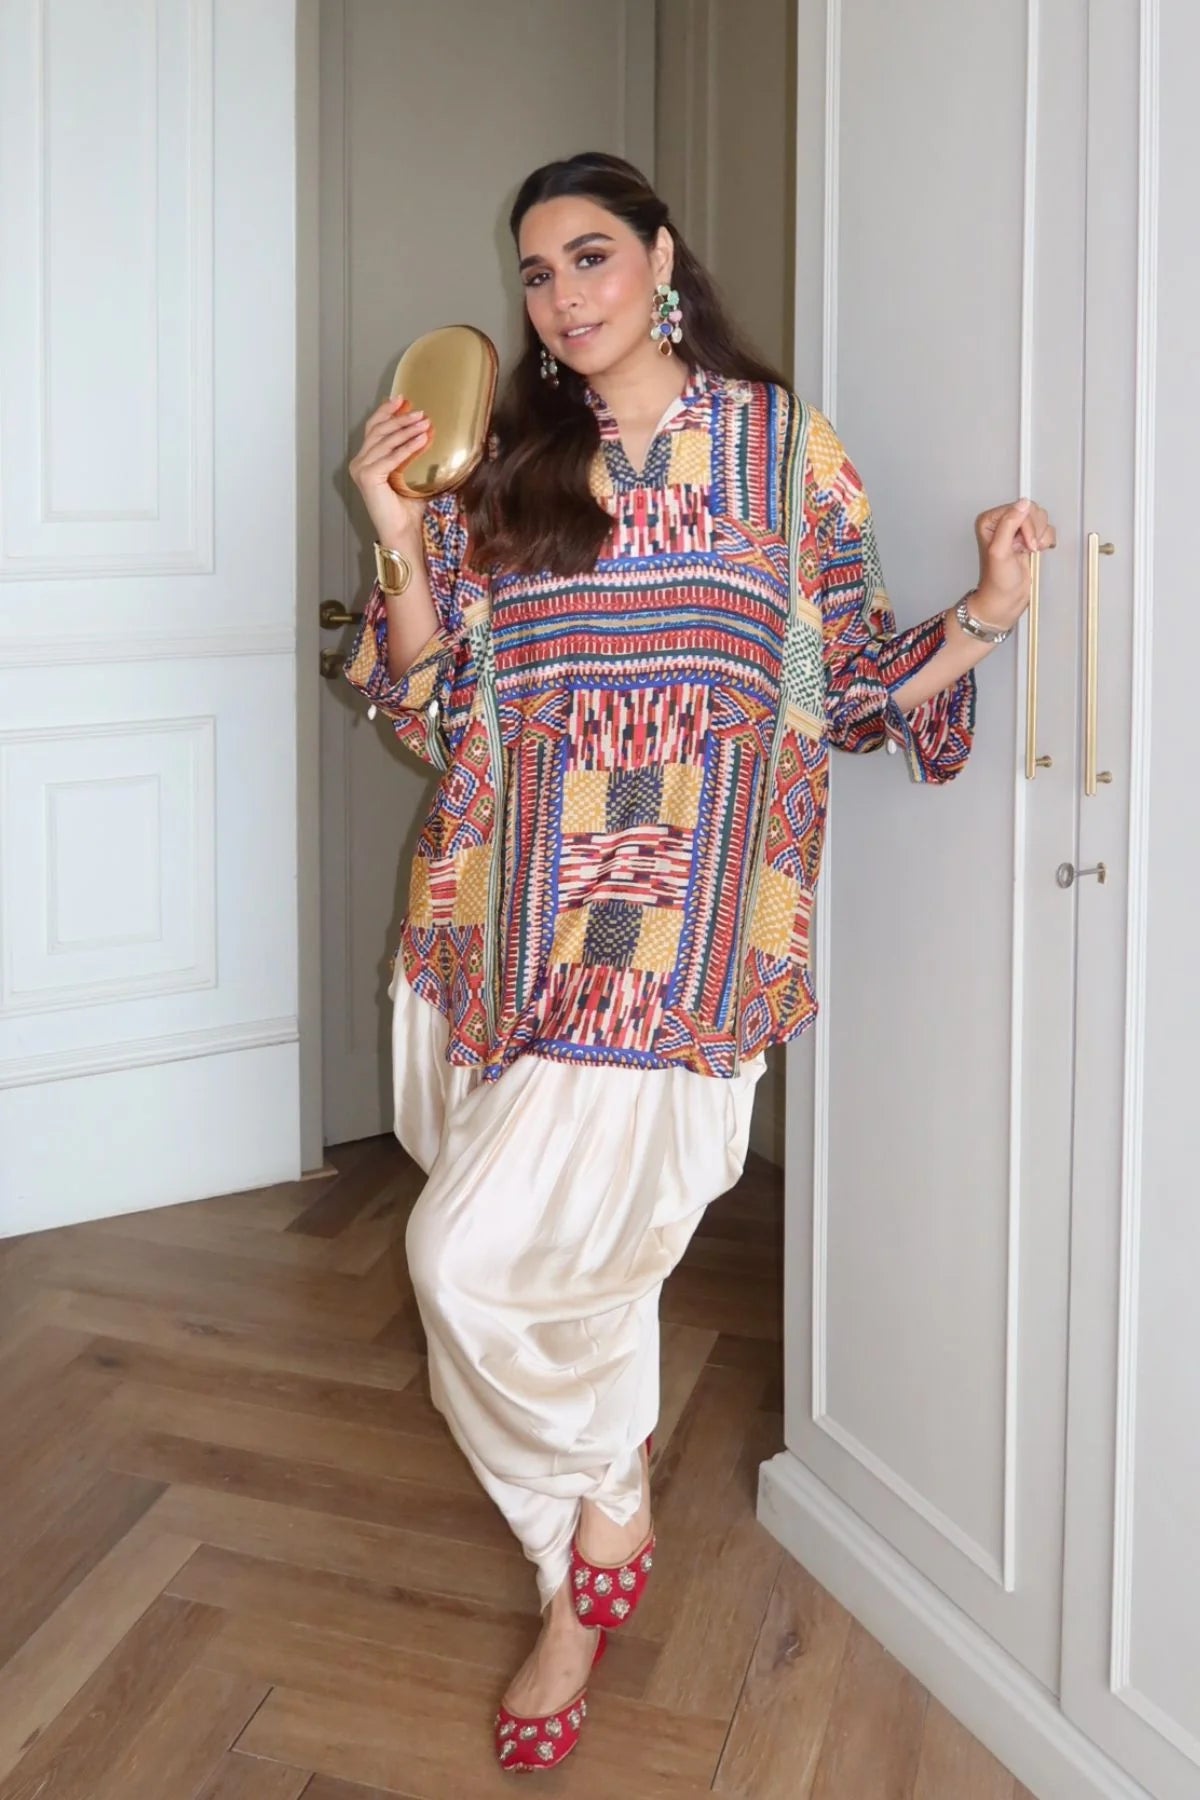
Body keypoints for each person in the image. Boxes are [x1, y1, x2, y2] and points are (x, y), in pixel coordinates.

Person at [343, 151, 1056, 1773]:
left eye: (591, 256)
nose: (563, 297)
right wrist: (393, 529)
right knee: (561, 1281)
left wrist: (991, 613)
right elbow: (431, 702)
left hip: (679, 945)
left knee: (467, 1268)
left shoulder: (785, 453)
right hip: (497, 929)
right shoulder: (508, 466)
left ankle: (593, 1532)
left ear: (662, 259)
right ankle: (585, 1542)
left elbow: (851, 686)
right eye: (537, 273)